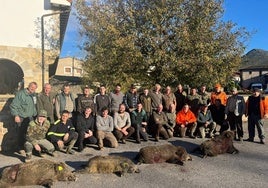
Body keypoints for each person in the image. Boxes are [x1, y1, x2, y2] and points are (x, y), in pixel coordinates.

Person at [10, 81, 38, 153]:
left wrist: (36, 115)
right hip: (22, 117)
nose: (33, 88)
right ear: (28, 86)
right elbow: (13, 105)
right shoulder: (21, 94)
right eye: (31, 87)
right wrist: (16, 115)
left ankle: (28, 148)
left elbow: (34, 106)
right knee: (21, 133)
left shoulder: (33, 95)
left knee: (29, 133)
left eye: (34, 88)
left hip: (31, 117)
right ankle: (20, 147)